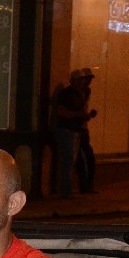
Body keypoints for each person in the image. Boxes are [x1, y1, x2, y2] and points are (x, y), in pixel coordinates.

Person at [53, 68, 97, 197]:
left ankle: (69, 189)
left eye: (83, 80)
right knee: (69, 161)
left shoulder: (80, 94)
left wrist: (86, 115)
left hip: (76, 131)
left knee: (72, 161)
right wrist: (78, 115)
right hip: (67, 131)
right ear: (72, 80)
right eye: (80, 80)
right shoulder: (67, 94)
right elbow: (61, 112)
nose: (82, 82)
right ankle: (65, 191)